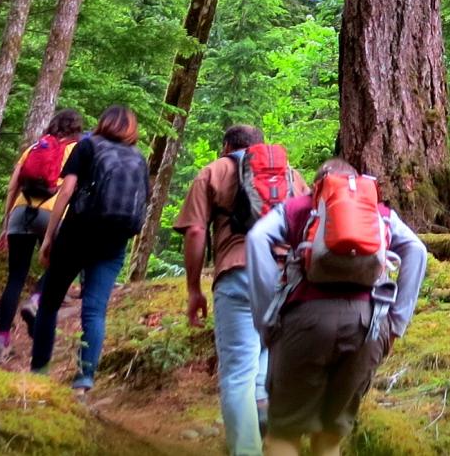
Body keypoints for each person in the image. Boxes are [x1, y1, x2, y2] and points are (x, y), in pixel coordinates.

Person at [245, 159, 428, 456]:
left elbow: (256, 239)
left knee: (284, 432)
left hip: (305, 323)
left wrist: (267, 317)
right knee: (330, 436)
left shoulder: (298, 208)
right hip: (368, 325)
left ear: (318, 185)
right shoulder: (379, 213)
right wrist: (396, 323)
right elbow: (417, 251)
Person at [174, 126, 306, 456]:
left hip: (239, 274)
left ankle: (247, 450)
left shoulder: (215, 170)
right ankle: (272, 440)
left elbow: (194, 231)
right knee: (264, 363)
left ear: (226, 145)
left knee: (237, 374)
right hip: (285, 277)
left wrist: (194, 289)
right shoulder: (292, 176)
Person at [30, 104, 150, 394]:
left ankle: (39, 372)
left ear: (103, 122)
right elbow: (142, 202)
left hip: (78, 233)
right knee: (95, 311)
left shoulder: (87, 146)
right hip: (114, 241)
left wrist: (49, 236)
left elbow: (67, 191)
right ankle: (84, 381)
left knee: (49, 302)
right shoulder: (138, 158)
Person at [0, 108, 84, 365]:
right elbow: (71, 190)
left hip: (21, 210)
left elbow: (13, 186)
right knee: (64, 263)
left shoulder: (35, 147)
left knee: (15, 278)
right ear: (77, 128)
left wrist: (6, 223)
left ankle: (1, 342)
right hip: (52, 213)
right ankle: (35, 300)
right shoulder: (77, 149)